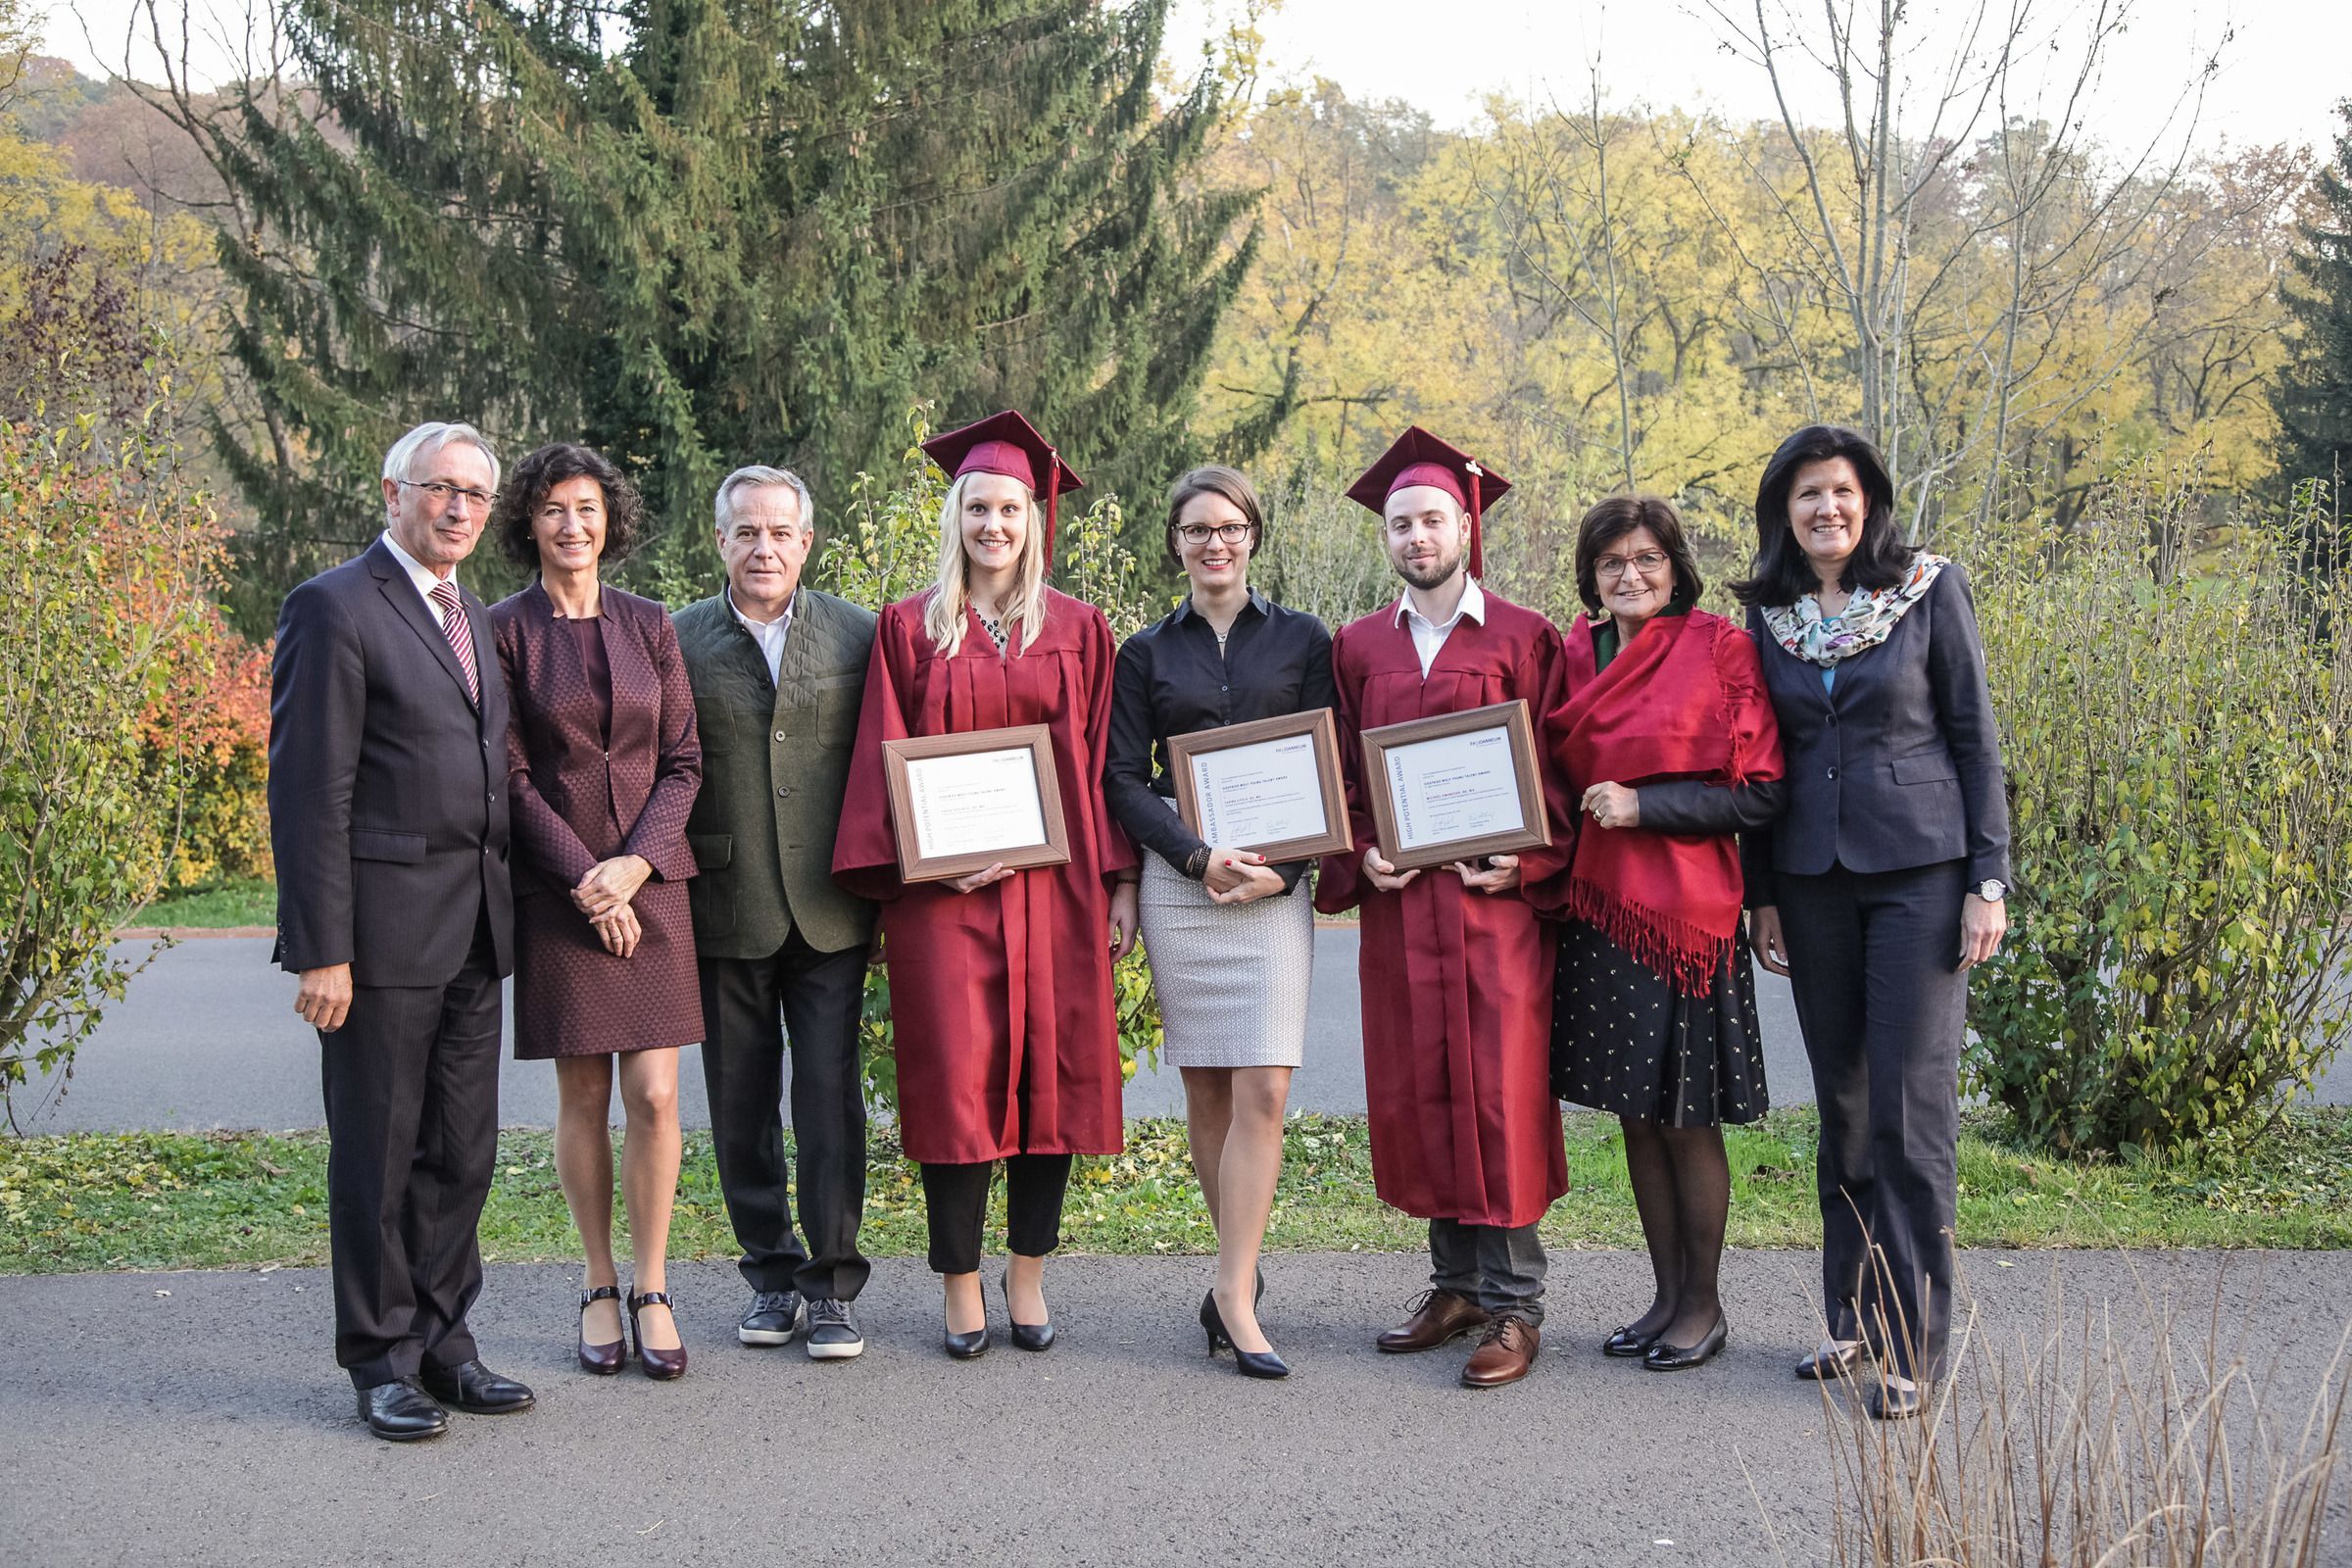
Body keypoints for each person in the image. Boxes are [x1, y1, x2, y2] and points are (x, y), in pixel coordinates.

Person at [833, 410, 1139, 1360]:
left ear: (1032, 519)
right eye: (977, 506)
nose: (993, 524)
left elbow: (1102, 766)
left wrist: (1120, 881)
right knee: (955, 1086)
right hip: (944, 904)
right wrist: (923, 861)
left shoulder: (1085, 632)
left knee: (1051, 1083)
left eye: (1009, 507)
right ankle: (961, 1286)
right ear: (956, 515)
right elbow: (882, 756)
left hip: (1055, 897)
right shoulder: (907, 628)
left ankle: (1028, 1275)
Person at [1735, 424, 2011, 1420]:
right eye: (1806, 495)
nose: (1826, 509)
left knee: (1908, 1108)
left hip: (1921, 878)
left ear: (1870, 499)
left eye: (1841, 491)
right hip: (1811, 881)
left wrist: (1990, 877)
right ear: (1784, 512)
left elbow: (1977, 740)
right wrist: (1760, 891)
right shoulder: (1770, 615)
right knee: (1844, 1105)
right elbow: (1756, 766)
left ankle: (1914, 1341)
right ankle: (1849, 1316)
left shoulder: (1931, 590)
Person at [268, 420, 534, 1441]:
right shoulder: (335, 608)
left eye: (474, 493)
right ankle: (378, 1359)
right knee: (378, 1156)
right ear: (392, 491)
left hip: (474, 931)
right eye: (440, 488)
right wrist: (322, 947)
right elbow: (309, 794)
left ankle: (442, 1343)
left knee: (461, 1154)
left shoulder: (472, 615)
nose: (459, 508)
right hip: (376, 943)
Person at [1316, 426, 1577, 1390]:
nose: (1418, 536)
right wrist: (1362, 851)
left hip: (1491, 913)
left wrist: (1526, 855)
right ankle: (1455, 1284)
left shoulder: (1523, 635)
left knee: (1498, 1092)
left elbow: (1557, 768)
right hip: (1402, 909)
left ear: (1465, 523)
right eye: (1402, 523)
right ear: (1384, 536)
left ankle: (1516, 1306)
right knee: (1426, 1085)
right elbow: (1344, 769)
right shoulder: (1357, 645)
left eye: (1433, 519)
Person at [1104, 466, 1335, 1381]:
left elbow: (1330, 760)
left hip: (1275, 889)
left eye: (1230, 527)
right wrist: (1198, 860)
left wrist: (1283, 871)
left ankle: (1233, 1293)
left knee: (1264, 1089)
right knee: (1206, 1091)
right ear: (1177, 542)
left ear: (1253, 536)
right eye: (1197, 530)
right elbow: (1123, 778)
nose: (1214, 543)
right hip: (1184, 888)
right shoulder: (1145, 653)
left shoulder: (1306, 639)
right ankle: (1238, 1272)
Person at [1548, 496, 1785, 1374]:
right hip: (1602, 907)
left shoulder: (1720, 648)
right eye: (1612, 562)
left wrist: (1647, 807)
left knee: (1687, 1118)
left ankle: (1705, 1305)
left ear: (1674, 564)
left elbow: (1760, 790)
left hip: (1689, 912)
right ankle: (1661, 1295)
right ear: (1592, 575)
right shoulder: (1574, 655)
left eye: (1646, 558)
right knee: (1636, 1118)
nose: (1630, 575)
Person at [488, 443, 704, 1381]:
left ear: (609, 520)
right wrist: (587, 879)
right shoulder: (501, 630)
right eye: (551, 510)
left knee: (655, 1096)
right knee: (582, 1093)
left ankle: (653, 1285)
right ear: (527, 525)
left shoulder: (652, 623)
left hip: (652, 889)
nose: (571, 526)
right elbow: (509, 774)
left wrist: (633, 869)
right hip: (558, 892)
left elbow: (684, 762)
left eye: (586, 508)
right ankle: (597, 1278)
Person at [673, 465, 880, 1361]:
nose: (764, 548)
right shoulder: (675, 639)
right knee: (740, 1101)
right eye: (746, 532)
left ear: (806, 541)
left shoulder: (860, 635)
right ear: (720, 540)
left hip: (832, 906)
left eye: (780, 533)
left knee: (829, 1099)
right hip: (728, 902)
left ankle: (832, 1285)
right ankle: (769, 1273)